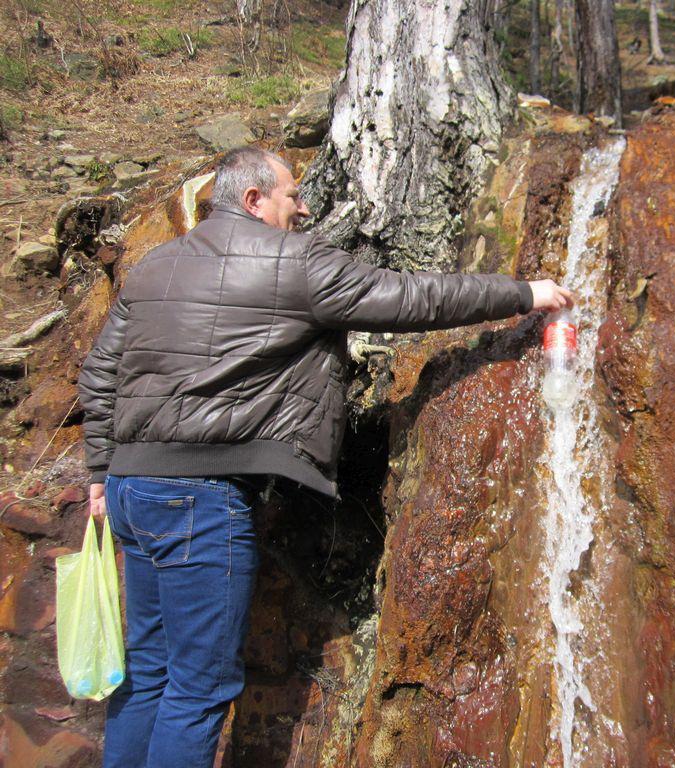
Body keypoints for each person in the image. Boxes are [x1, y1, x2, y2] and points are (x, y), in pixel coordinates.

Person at [77, 146, 573, 768]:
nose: (305, 205)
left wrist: (103, 471)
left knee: (148, 675)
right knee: (198, 690)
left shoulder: (154, 268)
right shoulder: (294, 262)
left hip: (130, 492)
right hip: (199, 499)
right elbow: (411, 299)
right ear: (254, 200)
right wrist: (522, 292)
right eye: (292, 192)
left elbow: (98, 375)